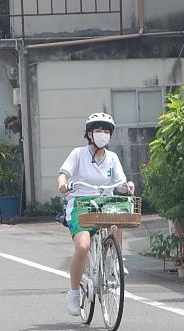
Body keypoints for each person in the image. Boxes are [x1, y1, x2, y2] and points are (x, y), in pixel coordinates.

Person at [57, 113, 134, 316]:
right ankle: (74, 292)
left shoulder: (112, 158)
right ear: (90, 133)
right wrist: (63, 185)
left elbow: (121, 183)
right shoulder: (78, 154)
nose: (102, 134)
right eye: (98, 130)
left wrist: (127, 187)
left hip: (105, 201)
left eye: (106, 131)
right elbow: (63, 174)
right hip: (81, 202)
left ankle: (115, 261)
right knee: (82, 247)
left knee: (120, 213)